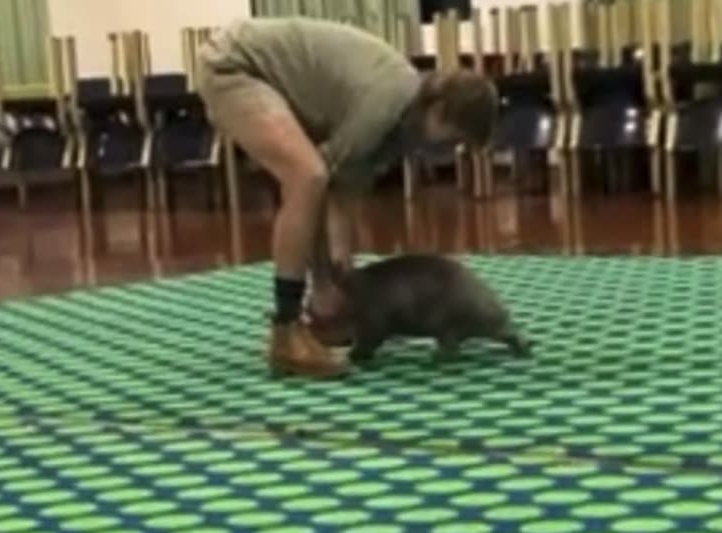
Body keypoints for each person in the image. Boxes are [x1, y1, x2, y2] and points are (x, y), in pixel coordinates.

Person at [196, 17, 498, 379]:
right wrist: (325, 281)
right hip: (234, 64)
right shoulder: (388, 102)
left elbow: (348, 186)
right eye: (453, 137)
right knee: (306, 176)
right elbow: (322, 178)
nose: (450, 150)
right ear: (438, 109)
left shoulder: (403, 122)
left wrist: (342, 267)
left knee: (315, 177)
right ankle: (286, 331)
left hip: (264, 72)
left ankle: (320, 313)